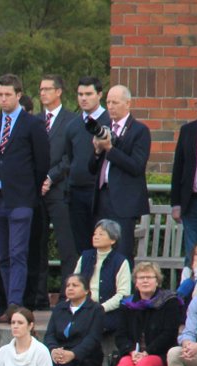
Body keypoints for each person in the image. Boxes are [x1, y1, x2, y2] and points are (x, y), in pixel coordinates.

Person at [0, 74, 50, 318]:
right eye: (0, 94)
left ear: (19, 95)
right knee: (2, 255)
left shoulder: (31, 124)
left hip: (21, 198)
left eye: (7, 94)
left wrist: (29, 190)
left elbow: (42, 161)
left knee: (18, 252)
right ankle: (6, 304)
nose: (3, 99)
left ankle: (16, 303)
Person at [98, 261, 182, 366]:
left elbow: (169, 335)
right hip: (134, 354)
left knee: (145, 363)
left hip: (161, 357)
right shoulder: (127, 304)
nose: (145, 281)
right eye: (141, 277)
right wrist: (131, 351)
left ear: (157, 281)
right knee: (124, 362)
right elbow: (120, 335)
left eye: (149, 277)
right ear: (135, 282)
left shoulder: (169, 302)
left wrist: (147, 352)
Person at [31, 75, 80, 296]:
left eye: (47, 89)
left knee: (66, 245)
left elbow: (71, 156)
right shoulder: (34, 120)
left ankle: (66, 294)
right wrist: (37, 180)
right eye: (40, 89)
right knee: (36, 244)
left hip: (60, 191)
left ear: (59, 92)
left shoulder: (72, 120)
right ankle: (38, 295)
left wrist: (50, 178)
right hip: (36, 192)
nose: (42, 93)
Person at [90, 86, 151, 262]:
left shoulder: (139, 130)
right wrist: (96, 151)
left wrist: (110, 149)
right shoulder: (104, 128)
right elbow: (91, 168)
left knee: (122, 252)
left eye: (115, 102)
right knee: (100, 251)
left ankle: (124, 289)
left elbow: (136, 166)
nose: (110, 106)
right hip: (102, 195)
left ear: (128, 104)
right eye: (108, 102)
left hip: (124, 200)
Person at [67, 77, 108, 254]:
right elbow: (70, 157)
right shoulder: (73, 125)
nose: (84, 98)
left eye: (88, 94)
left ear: (99, 95)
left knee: (103, 243)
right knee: (81, 246)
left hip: (101, 192)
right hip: (77, 192)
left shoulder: (109, 121)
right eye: (80, 94)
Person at [43, 274, 106, 366]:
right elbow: (50, 335)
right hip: (60, 354)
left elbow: (93, 338)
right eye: (68, 286)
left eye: (75, 285)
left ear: (86, 290)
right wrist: (53, 350)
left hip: (85, 357)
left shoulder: (96, 309)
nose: (70, 288)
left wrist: (73, 354)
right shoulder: (59, 308)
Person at [170, 90, 197, 269]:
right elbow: (178, 168)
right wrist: (176, 203)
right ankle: (192, 294)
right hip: (191, 201)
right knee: (192, 252)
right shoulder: (188, 130)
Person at [77, 218, 132, 333]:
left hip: (107, 311)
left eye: (101, 234)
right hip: (82, 308)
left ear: (113, 240)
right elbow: (74, 283)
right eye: (95, 234)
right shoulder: (85, 257)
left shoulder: (120, 262)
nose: (96, 237)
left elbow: (123, 294)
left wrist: (101, 308)